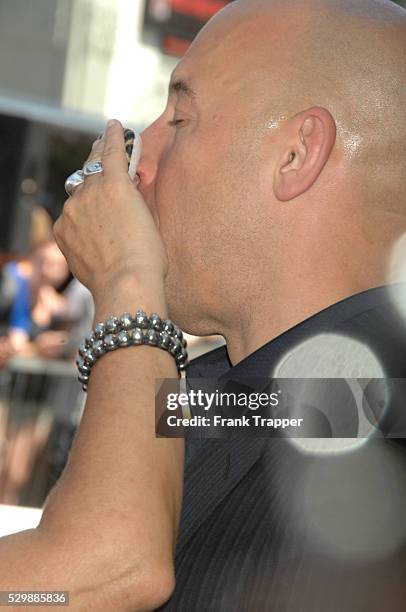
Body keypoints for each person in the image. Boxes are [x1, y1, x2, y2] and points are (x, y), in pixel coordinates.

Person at [0, 0, 405, 610]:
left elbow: (95, 571)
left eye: (179, 117)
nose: (138, 161)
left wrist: (127, 287)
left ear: (297, 154)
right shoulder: (249, 400)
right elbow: (59, 582)